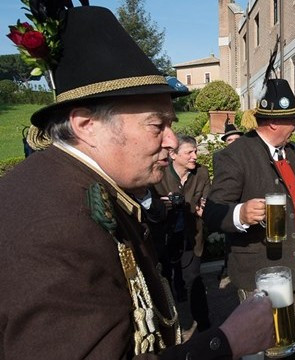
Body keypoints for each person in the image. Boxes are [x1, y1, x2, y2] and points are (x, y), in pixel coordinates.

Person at [0, 4, 274, 359]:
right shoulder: (54, 226)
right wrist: (226, 342)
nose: (173, 140)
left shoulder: (72, 187)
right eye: (157, 125)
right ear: (86, 125)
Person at [202, 69, 295, 317]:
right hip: (260, 274)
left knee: (287, 335)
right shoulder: (235, 155)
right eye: (293, 119)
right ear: (273, 122)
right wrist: (240, 213)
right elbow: (212, 211)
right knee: (260, 349)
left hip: (293, 266)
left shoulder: (291, 151)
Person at [154, 134, 211, 332]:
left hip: (191, 234)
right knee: (164, 280)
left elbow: (207, 198)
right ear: (173, 155)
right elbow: (146, 205)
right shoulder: (158, 174)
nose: (195, 156)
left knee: (194, 278)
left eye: (195, 151)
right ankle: (168, 329)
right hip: (164, 236)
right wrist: (161, 206)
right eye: (189, 152)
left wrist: (205, 207)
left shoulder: (201, 173)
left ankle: (205, 326)